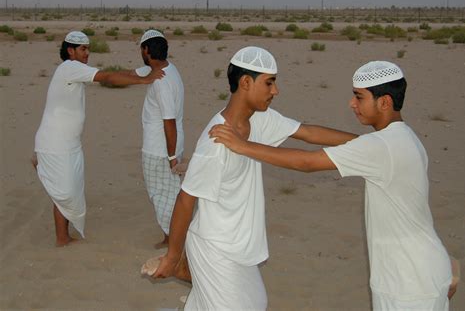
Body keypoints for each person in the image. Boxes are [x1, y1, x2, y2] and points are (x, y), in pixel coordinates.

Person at [210, 61, 454, 310]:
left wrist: (242, 146)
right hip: (424, 271)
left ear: (384, 102)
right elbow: (341, 142)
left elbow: (306, 162)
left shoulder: (382, 147)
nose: (352, 104)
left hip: (408, 283)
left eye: (359, 97)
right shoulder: (402, 138)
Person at [145, 46, 356, 310]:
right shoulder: (216, 141)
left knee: (253, 302)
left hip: (242, 245)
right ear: (246, 82)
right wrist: (173, 256)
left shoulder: (261, 119)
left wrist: (366, 143)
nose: (275, 91)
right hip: (216, 248)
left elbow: (309, 133)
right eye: (269, 83)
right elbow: (186, 199)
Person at [33, 31, 164, 247]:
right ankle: (61, 239)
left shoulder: (76, 70)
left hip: (69, 144)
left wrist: (143, 73)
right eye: (83, 49)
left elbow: (111, 73)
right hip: (55, 144)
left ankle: (64, 235)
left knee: (71, 190)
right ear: (70, 51)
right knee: (64, 193)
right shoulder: (69, 68)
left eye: (88, 49)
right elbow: (107, 77)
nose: (87, 53)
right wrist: (145, 80)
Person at [135, 30, 184, 248]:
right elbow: (133, 74)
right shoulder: (169, 69)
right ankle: (171, 237)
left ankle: (173, 240)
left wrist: (171, 156)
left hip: (160, 149)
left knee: (161, 194)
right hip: (170, 145)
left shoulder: (161, 81)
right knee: (170, 191)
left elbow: (169, 120)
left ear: (146, 50)